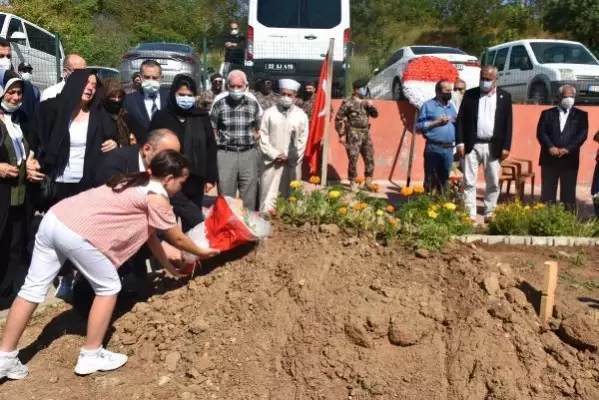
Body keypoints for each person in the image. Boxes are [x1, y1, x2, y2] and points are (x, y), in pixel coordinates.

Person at [0, 150, 219, 380]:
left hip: (54, 220)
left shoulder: (136, 179)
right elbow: (178, 239)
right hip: (77, 232)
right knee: (108, 287)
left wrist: (169, 267)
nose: (181, 188)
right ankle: (91, 354)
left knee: (32, 289)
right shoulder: (158, 197)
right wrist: (203, 252)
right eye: (181, 182)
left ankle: (5, 357)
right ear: (169, 179)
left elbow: (151, 236)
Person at [37, 70, 118, 299]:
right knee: (60, 234)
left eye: (94, 84)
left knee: (84, 233)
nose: (90, 88)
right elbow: (38, 137)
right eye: (86, 83)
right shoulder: (53, 109)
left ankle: (81, 277)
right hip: (59, 181)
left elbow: (111, 138)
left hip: (86, 182)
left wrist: (112, 142)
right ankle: (64, 276)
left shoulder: (98, 113)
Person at [0, 71, 43, 307]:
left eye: (19, 93)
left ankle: (9, 292)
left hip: (19, 194)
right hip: (2, 193)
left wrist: (31, 161)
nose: (16, 97)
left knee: (15, 242)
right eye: (11, 92)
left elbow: (28, 148)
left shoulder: (20, 119)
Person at [150, 74, 218, 214]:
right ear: (173, 93)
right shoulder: (161, 117)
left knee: (193, 220)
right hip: (167, 178)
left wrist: (211, 178)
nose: (185, 98)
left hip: (195, 179)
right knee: (166, 220)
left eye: (189, 95)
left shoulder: (201, 117)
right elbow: (152, 145)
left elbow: (210, 147)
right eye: (181, 94)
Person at [456, 65, 513, 223]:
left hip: (493, 146)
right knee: (468, 180)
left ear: (496, 79)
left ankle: (490, 212)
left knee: (493, 181)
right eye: (482, 78)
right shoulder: (470, 95)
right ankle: (469, 214)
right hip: (471, 145)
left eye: (488, 79)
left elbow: (508, 123)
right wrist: (460, 142)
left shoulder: (505, 97)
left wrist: (506, 146)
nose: (484, 81)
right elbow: (461, 120)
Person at [210, 70, 261, 211]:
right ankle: (227, 228)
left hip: (248, 153)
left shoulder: (252, 104)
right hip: (226, 154)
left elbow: (258, 127)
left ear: (246, 86)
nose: (236, 89)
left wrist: (253, 137)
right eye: (233, 86)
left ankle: (249, 228)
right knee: (226, 196)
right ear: (227, 86)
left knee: (249, 195)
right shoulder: (219, 104)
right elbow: (213, 129)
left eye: (239, 86)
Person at [259, 79, 308, 212]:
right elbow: (263, 137)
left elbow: (303, 140)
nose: (286, 97)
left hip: (291, 163)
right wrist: (274, 154)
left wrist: (290, 156)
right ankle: (266, 216)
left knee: (291, 194)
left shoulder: (301, 115)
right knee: (268, 194)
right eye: (283, 94)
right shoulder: (269, 113)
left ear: (295, 96)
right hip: (272, 162)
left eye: (289, 95)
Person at [537, 85, 588, 210]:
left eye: (572, 96)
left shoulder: (581, 115)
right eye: (566, 96)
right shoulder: (547, 114)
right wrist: (550, 147)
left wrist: (568, 149)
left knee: (568, 194)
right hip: (549, 159)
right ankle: (546, 221)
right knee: (548, 193)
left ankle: (568, 223)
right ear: (559, 97)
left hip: (569, 160)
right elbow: (541, 132)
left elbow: (582, 134)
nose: (569, 99)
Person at [335, 79, 378, 191]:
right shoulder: (348, 102)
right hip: (353, 133)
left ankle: (368, 180)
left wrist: (370, 106)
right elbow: (339, 118)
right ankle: (353, 181)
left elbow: (375, 115)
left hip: (365, 133)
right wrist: (341, 134)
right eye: (363, 88)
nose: (365, 90)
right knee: (353, 158)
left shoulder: (366, 102)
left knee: (369, 157)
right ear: (356, 90)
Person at [416, 80, 457, 192]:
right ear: (438, 92)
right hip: (434, 148)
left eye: (450, 91)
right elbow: (418, 127)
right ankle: (427, 203)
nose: (450, 93)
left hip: (449, 149)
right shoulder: (428, 106)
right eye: (447, 91)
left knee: (444, 179)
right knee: (430, 178)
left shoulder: (451, 107)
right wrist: (436, 123)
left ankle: (441, 204)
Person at [124, 60, 168, 132]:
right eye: (147, 77)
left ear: (161, 78)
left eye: (155, 78)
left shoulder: (169, 99)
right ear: (140, 78)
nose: (151, 81)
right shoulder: (129, 100)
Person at [102, 78, 146, 146]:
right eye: (113, 96)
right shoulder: (99, 116)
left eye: (119, 97)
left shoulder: (125, 115)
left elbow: (143, 135)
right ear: (105, 96)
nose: (116, 100)